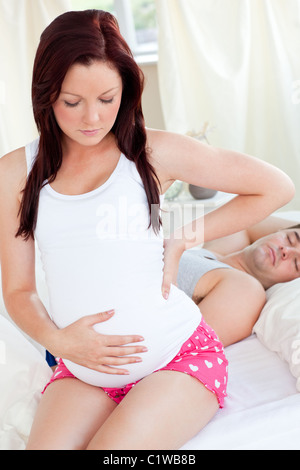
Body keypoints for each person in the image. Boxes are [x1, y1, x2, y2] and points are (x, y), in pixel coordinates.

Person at [0, 10, 294, 450]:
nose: (91, 118)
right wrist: (59, 341)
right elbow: (20, 290)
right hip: (83, 370)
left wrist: (184, 237)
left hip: (178, 358)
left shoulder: (150, 151)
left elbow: (275, 187)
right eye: (71, 101)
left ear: (126, 89)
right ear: (46, 96)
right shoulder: (16, 173)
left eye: (107, 97)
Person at [177, 215, 300, 347]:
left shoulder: (247, 291)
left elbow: (182, 349)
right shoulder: (216, 253)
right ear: (278, 231)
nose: (286, 250)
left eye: (297, 262)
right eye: (290, 238)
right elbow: (248, 220)